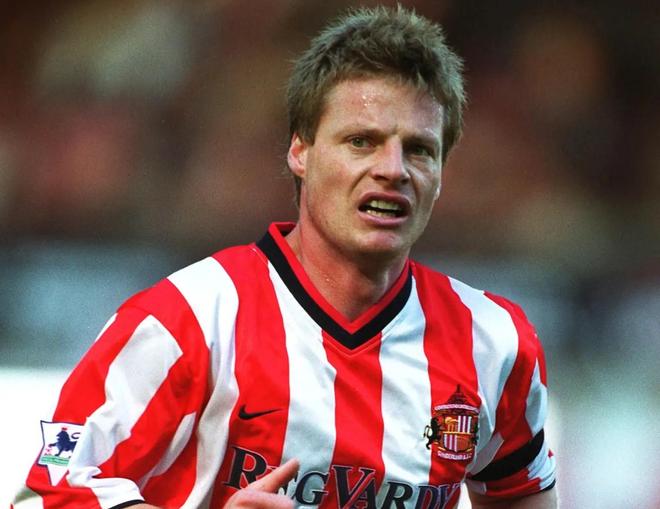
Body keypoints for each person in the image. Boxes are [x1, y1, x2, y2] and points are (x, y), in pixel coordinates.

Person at [12, 6, 557, 509]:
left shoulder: (495, 344)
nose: (393, 169)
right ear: (301, 151)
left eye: (419, 149)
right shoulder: (186, 322)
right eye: (361, 141)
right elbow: (42, 495)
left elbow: (520, 493)